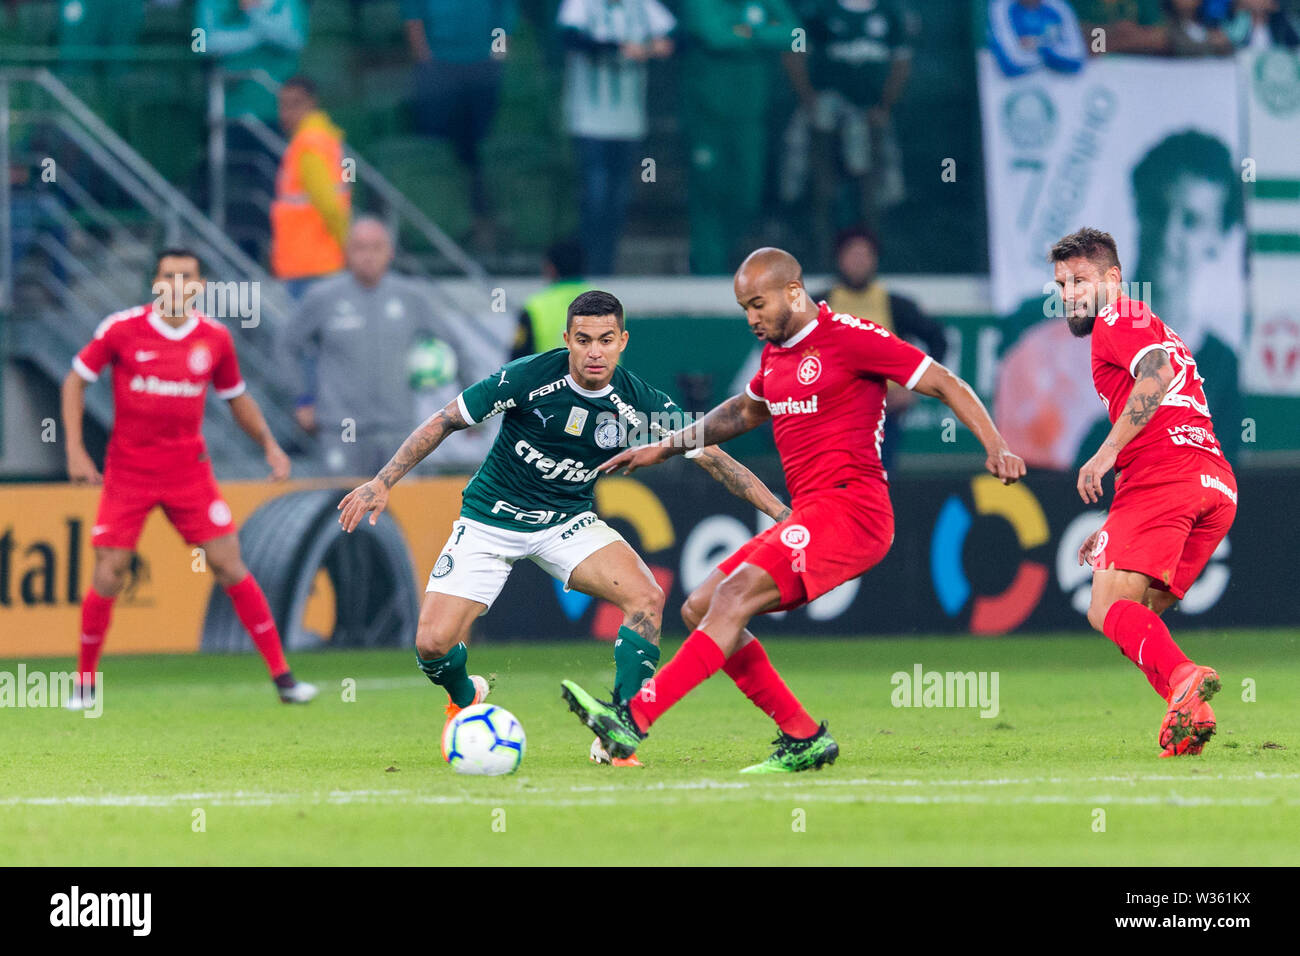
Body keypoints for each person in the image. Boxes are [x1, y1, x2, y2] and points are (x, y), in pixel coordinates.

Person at [559, 248, 1025, 772]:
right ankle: (803, 737)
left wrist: (996, 445)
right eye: (744, 309)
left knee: (733, 595)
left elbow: (943, 380)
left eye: (758, 303)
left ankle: (635, 718)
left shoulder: (851, 337)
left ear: (794, 291)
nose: (753, 317)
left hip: (854, 510)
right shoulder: (776, 355)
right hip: (812, 513)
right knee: (700, 606)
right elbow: (742, 411)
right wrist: (667, 445)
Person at [337, 290, 793, 767]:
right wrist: (382, 481)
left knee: (647, 597)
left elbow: (715, 458)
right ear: (567, 341)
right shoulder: (528, 376)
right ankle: (465, 693)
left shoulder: (639, 403)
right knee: (431, 646)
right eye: (584, 340)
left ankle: (620, 730)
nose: (594, 351)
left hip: (566, 523)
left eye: (605, 340)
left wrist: (782, 514)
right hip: (490, 519)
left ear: (622, 342)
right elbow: (446, 420)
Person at [61, 249, 317, 709]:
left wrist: (270, 445)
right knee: (111, 570)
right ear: (155, 283)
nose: (176, 284)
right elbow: (76, 381)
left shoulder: (214, 338)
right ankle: (83, 684)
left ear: (199, 286)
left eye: (186, 277)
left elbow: (236, 397)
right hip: (130, 472)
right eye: (167, 276)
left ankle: (284, 678)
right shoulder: (121, 329)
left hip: (188, 472)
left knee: (228, 562)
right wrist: (76, 451)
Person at [1052, 228, 1232, 757]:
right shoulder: (1148, 324)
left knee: (1104, 607)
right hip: (1212, 482)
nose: (1069, 294)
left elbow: (1159, 373)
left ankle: (1184, 680)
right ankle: (1189, 710)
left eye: (1080, 280)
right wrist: (1114, 527)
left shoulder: (1120, 316)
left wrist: (1105, 454)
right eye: (1061, 284)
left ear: (1113, 279)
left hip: (1165, 478)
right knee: (1138, 609)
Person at [285, 217, 483, 476]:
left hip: (399, 431)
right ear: (347, 253)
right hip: (340, 430)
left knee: (404, 511)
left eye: (376, 247)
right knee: (341, 510)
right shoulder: (323, 297)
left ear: (390, 252)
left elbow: (456, 346)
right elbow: (287, 345)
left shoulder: (411, 296)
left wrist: (471, 413)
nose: (368, 256)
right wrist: (303, 398)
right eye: (360, 248)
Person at [783, 0, 914, 258]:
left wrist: (885, 106)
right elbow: (794, 53)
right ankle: (821, 257)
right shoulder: (817, 11)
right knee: (823, 189)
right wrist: (808, 98)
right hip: (827, 119)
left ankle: (870, 261)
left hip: (870, 117)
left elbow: (901, 64)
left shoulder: (890, 14)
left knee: (872, 192)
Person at [679, 0, 800, 274]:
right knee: (709, 192)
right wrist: (764, 31)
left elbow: (795, 34)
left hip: (750, 117)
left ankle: (724, 259)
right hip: (707, 117)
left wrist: (746, 32)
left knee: (747, 194)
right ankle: (707, 269)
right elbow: (715, 37)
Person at [813, 225, 948, 473]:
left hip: (882, 417)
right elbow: (787, 349)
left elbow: (938, 339)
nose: (858, 262)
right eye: (852, 255)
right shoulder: (817, 305)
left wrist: (914, 388)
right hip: (830, 417)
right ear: (839, 259)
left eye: (864, 255)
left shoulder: (895, 305)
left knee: (879, 486)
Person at [558, 0, 676, 276]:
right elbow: (570, 38)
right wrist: (620, 47)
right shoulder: (581, 4)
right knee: (595, 195)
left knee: (618, 196)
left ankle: (605, 267)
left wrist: (652, 47)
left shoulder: (640, 5)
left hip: (628, 119)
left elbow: (676, 37)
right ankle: (585, 268)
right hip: (589, 119)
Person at [195, 0, 309, 260]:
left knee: (277, 190)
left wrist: (255, 12)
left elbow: (294, 39)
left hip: (280, 117)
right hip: (230, 117)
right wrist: (260, 33)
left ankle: (280, 255)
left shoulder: (287, 3)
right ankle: (238, 257)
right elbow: (202, 43)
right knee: (236, 193)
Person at [401, 0, 517, 253]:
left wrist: (495, 59)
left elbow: (505, 16)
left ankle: (479, 222)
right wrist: (427, 62)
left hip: (482, 70)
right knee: (436, 152)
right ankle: (437, 225)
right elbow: (412, 16)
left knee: (477, 152)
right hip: (437, 70)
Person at [271, 76, 350, 300]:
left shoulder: (308, 145)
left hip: (311, 265)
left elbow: (329, 205)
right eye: (283, 105)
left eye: (295, 104)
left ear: (312, 104)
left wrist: (349, 248)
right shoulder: (324, 138)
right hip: (316, 261)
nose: (286, 113)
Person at [510, 238, 590, 359]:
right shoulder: (610, 305)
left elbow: (517, 360)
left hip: (552, 377)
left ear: (550, 268)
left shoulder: (535, 307)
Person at [986, 0, 1086, 76]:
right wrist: (1055, 57)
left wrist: (1038, 45)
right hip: (1015, 91)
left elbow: (1076, 57)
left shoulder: (1057, 6)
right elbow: (1011, 64)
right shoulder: (1001, 6)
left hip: (1058, 88)